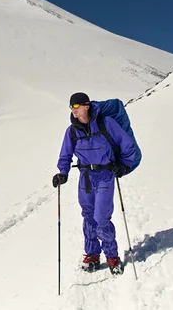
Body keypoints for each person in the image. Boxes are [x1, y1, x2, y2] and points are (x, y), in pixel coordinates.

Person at [52, 92, 136, 275]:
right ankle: (92, 254)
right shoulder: (72, 131)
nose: (73, 110)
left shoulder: (107, 124)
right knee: (88, 215)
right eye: (71, 107)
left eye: (76, 106)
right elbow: (65, 155)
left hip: (105, 174)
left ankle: (112, 256)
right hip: (85, 177)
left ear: (87, 105)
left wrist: (124, 166)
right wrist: (62, 173)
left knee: (101, 217)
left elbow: (127, 145)